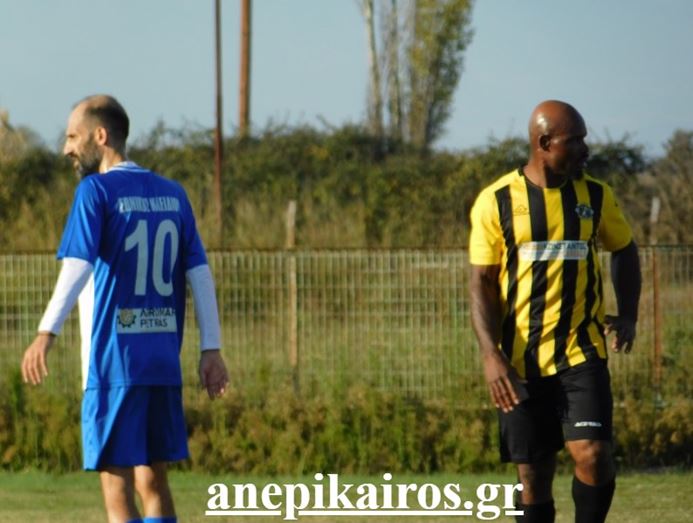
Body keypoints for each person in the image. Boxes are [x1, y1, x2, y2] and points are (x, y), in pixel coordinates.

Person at [21, 94, 229, 523]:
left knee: (116, 491)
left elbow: (77, 266)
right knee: (153, 483)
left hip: (113, 364)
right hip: (161, 363)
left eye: (73, 137)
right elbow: (200, 274)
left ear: (100, 136)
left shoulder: (95, 191)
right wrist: (211, 348)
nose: (66, 148)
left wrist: (46, 332)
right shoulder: (173, 193)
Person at [468, 100, 641, 523]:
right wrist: (491, 355)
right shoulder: (496, 201)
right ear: (544, 143)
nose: (585, 149)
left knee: (594, 455)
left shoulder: (595, 196)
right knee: (532, 476)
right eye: (574, 140)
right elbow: (482, 283)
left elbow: (624, 249)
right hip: (519, 362)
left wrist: (628, 313)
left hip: (582, 354)